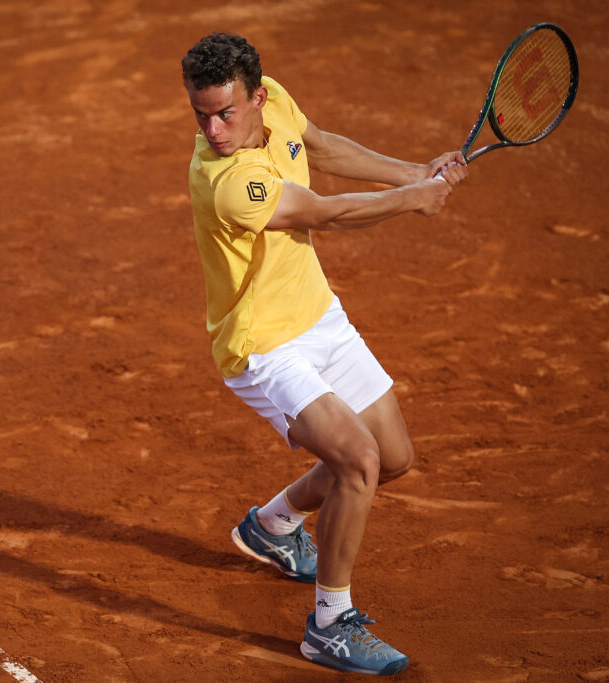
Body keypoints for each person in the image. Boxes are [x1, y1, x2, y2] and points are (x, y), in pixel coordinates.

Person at [181, 32, 467, 675]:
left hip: (317, 315)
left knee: (393, 458)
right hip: (263, 345)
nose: (212, 129)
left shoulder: (277, 100)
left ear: (258, 96)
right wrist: (410, 200)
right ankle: (330, 625)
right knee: (358, 461)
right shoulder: (226, 182)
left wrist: (414, 171)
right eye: (201, 114)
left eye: (225, 112)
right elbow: (323, 213)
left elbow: (323, 146)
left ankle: (273, 525)